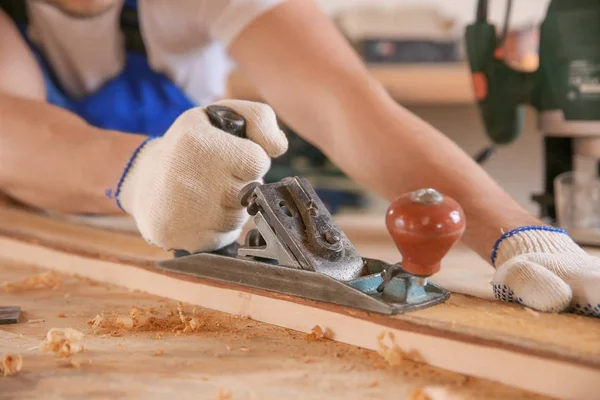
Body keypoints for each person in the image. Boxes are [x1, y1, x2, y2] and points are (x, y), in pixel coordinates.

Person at [0, 0, 598, 317]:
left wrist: (518, 234)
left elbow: (345, 102)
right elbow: (15, 130)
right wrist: (143, 173)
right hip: (36, 243)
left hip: (204, 232)